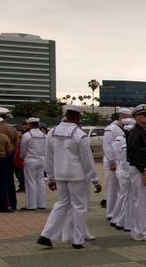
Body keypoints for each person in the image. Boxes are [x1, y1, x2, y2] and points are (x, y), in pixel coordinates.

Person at [37, 105, 101, 249]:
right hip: (77, 175)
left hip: (60, 174)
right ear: (79, 117)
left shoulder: (52, 133)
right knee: (79, 206)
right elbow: (87, 160)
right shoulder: (79, 135)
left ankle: (46, 234)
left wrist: (51, 177)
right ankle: (77, 240)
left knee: (61, 204)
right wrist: (95, 180)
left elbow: (48, 157)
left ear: (66, 115)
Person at [126, 104, 146, 241]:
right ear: (137, 117)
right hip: (138, 169)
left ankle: (139, 230)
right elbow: (134, 154)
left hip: (143, 169)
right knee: (140, 202)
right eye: (145, 115)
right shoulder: (135, 132)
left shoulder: (142, 131)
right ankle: (139, 232)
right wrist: (143, 172)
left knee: (141, 201)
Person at [104, 108, 131, 223]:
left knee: (121, 189)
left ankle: (119, 212)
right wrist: (111, 161)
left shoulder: (123, 128)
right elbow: (107, 145)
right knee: (112, 188)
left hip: (122, 162)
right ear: (123, 116)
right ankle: (110, 212)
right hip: (113, 162)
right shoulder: (111, 129)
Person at [19, 118, 48, 211]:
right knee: (40, 181)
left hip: (30, 160)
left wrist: (22, 156)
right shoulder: (44, 135)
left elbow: (23, 149)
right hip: (41, 159)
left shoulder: (27, 135)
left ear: (30, 125)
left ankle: (31, 205)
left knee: (30, 182)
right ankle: (41, 203)